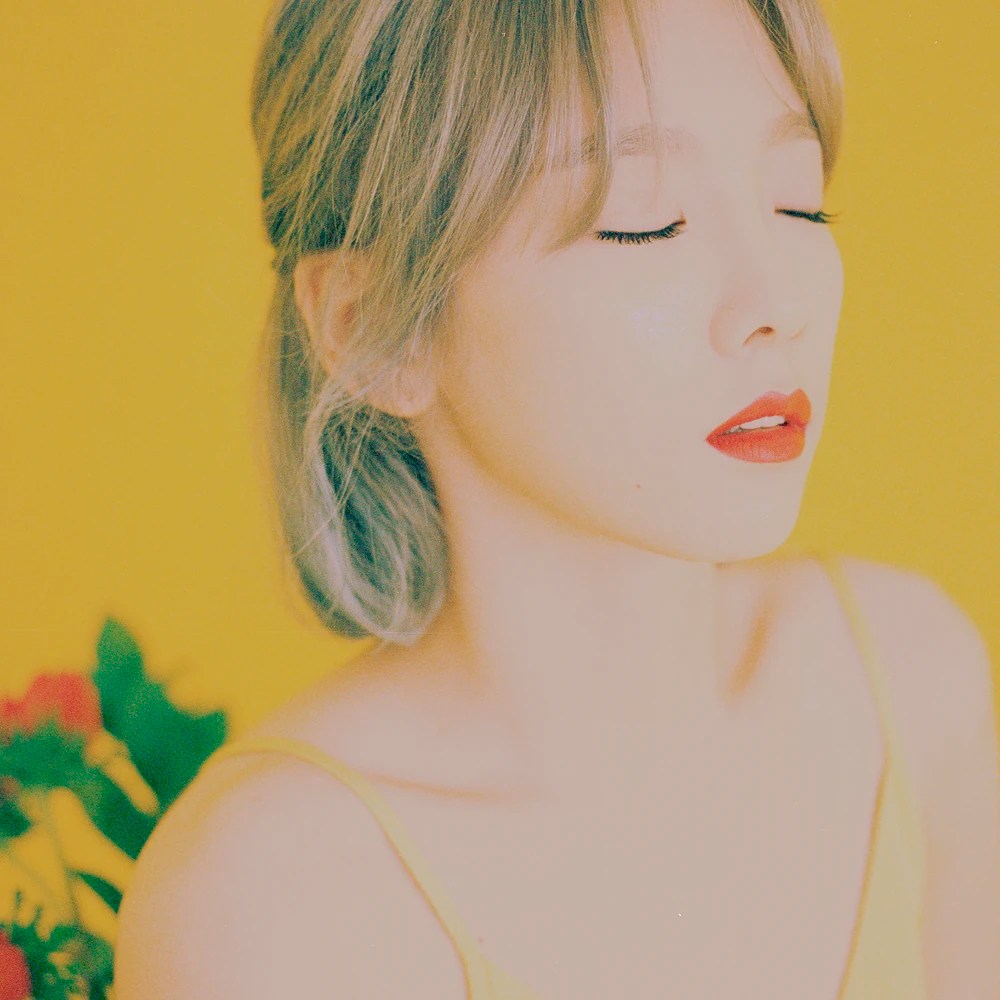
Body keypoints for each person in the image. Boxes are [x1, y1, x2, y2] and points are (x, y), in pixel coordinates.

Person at [113, 0, 1000, 996]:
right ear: (372, 329)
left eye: (796, 202)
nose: (777, 304)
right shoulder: (270, 902)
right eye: (644, 223)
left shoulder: (906, 684)